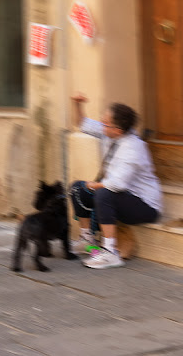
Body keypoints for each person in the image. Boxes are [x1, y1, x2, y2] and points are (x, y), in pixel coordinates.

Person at [68, 93, 163, 269]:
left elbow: (117, 184)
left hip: (145, 206)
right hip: (122, 196)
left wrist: (93, 185)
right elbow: (82, 124)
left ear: (117, 130)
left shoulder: (133, 148)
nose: (102, 125)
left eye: (105, 123)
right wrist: (77, 104)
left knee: (104, 194)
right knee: (77, 189)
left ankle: (110, 253)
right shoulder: (110, 133)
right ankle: (88, 242)